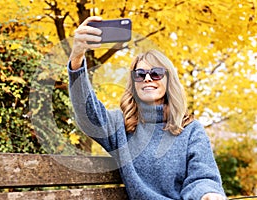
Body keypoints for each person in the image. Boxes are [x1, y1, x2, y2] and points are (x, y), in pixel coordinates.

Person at [67, 16, 227, 200]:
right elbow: (89, 114)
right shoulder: (121, 126)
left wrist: (208, 194)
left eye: (156, 73)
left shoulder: (190, 130)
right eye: (140, 74)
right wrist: (77, 57)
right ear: (134, 83)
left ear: (169, 81)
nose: (148, 78)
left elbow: (202, 177)